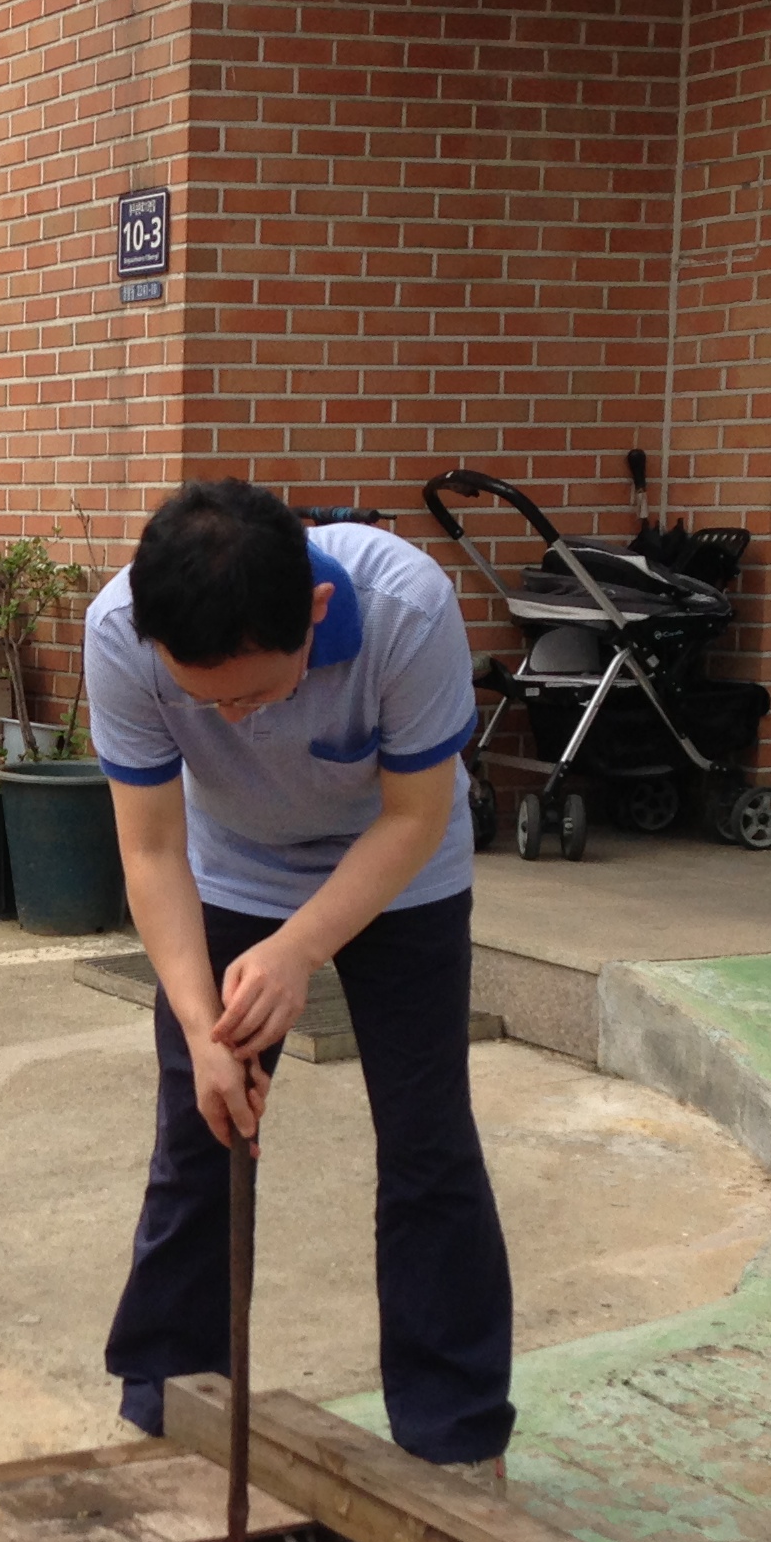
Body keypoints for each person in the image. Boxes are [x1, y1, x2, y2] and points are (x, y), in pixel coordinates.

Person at [89, 478, 514, 1487]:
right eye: (208, 701)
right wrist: (202, 1028)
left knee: (426, 1140)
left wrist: (299, 949)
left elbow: (415, 816)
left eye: (255, 694)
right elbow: (151, 854)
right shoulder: (121, 635)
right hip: (232, 866)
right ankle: (167, 1407)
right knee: (202, 1129)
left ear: (315, 614)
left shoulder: (408, 611)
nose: (232, 721)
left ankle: (454, 1437)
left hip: (400, 873)